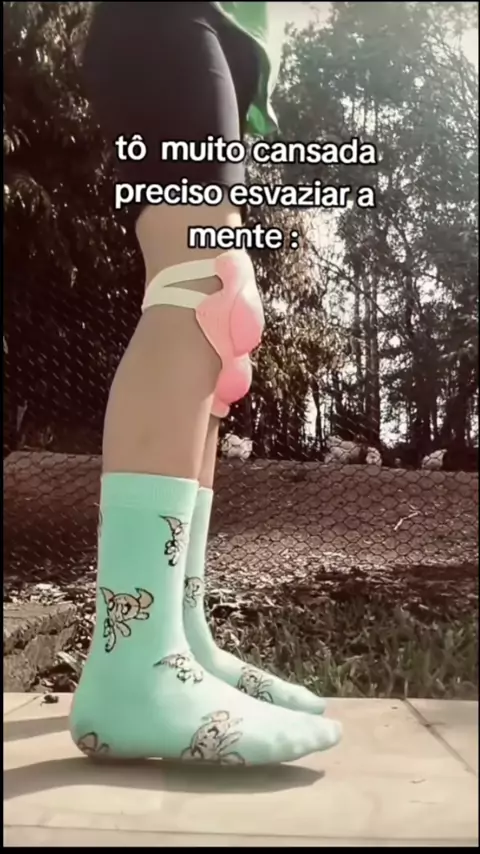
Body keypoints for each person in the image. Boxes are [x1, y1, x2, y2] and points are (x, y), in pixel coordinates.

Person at [70, 1, 342, 765]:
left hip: (210, 28)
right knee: (200, 288)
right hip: (166, 16)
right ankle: (134, 668)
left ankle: (177, 640)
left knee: (222, 327)